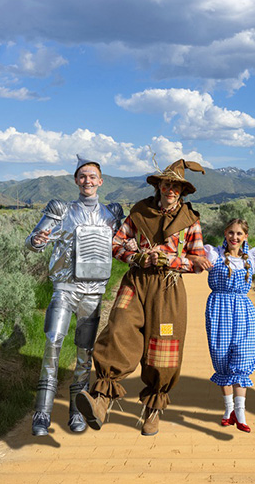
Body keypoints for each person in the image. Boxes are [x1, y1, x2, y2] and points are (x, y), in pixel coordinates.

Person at [77, 159, 211, 436]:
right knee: (119, 329)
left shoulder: (191, 221)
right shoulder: (139, 212)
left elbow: (198, 261)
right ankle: (102, 400)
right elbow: (115, 244)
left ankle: (153, 407)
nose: (170, 189)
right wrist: (137, 256)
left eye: (176, 185)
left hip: (168, 288)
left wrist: (169, 260)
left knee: (163, 346)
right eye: (166, 183)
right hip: (136, 281)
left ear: (182, 190)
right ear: (159, 186)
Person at [25, 156, 124, 436]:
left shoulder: (112, 214)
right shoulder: (60, 209)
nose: (87, 181)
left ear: (100, 181)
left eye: (92, 176)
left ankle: (76, 412)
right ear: (76, 181)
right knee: (52, 342)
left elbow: (124, 242)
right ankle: (42, 414)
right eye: (82, 176)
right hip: (64, 290)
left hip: (93, 292)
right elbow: (34, 241)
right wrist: (36, 240)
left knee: (84, 352)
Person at [200, 218, 255, 433]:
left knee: (243, 355)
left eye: (239, 234)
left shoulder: (252, 258)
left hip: (243, 310)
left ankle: (240, 413)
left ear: (245, 236)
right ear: (225, 233)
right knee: (222, 356)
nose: (234, 237)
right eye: (231, 233)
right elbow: (191, 256)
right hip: (219, 309)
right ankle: (228, 409)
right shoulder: (213, 254)